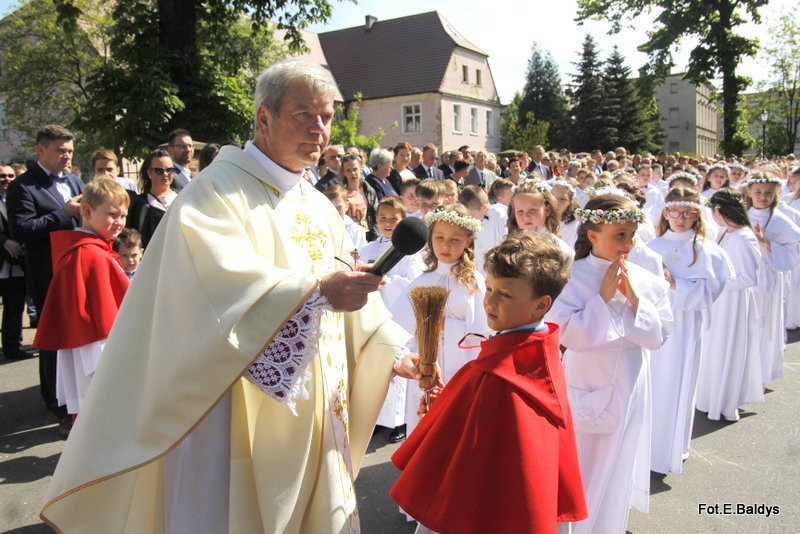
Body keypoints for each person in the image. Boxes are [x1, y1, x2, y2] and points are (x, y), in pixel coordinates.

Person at [40, 58, 418, 534]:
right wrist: (317, 291)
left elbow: (345, 280)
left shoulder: (318, 203)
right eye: (304, 114)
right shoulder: (214, 193)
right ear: (264, 118)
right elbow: (210, 290)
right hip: (231, 407)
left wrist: (390, 346)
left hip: (315, 401)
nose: (319, 129)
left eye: (326, 116)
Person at [391, 233, 588, 534]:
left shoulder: (498, 375)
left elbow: (471, 462)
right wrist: (446, 405)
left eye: (505, 295)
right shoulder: (538, 351)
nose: (490, 301)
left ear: (541, 305)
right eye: (490, 288)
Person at [547, 194, 673, 534]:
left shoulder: (645, 279)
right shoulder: (570, 277)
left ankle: (608, 525)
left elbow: (660, 335)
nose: (629, 243)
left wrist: (634, 301)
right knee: (583, 462)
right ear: (592, 235)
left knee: (619, 462)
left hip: (632, 382)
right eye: (620, 234)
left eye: (632, 234)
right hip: (586, 379)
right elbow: (566, 335)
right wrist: (602, 299)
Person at [7, 124, 84, 437]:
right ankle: (58, 407)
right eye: (60, 151)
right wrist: (64, 214)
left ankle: (80, 401)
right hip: (48, 275)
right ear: (41, 151)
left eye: (69, 151)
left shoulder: (75, 180)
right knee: (54, 341)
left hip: (78, 273)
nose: (66, 157)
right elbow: (22, 230)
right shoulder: (24, 187)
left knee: (80, 340)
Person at [647, 188, 731, 474]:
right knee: (652, 382)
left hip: (685, 326)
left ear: (697, 214)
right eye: (675, 212)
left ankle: (668, 448)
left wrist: (675, 285)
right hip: (653, 325)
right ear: (665, 212)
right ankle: (645, 445)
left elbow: (712, 290)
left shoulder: (707, 250)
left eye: (687, 212)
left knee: (677, 382)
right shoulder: (651, 246)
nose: (680, 218)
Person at [32, 179, 131, 420]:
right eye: (111, 214)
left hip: (87, 348)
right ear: (87, 211)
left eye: (123, 216)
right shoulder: (91, 255)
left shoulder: (84, 249)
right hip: (96, 352)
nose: (119, 222)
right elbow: (108, 318)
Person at [390, 204, 488, 437]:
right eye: (439, 237)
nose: (445, 245)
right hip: (426, 370)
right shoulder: (421, 282)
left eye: (455, 239)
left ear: (468, 241)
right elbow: (400, 330)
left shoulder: (472, 282)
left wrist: (447, 325)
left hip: (460, 372)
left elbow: (481, 332)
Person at [358, 195, 425, 443]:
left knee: (398, 361)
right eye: (383, 218)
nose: (387, 223)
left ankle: (398, 421)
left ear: (403, 220)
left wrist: (387, 282)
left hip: (397, 312)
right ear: (375, 220)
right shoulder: (370, 248)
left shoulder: (411, 251)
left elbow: (414, 279)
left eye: (393, 219)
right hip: (373, 310)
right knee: (374, 363)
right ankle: (377, 418)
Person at [696, 188, 764, 421]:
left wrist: (715, 280)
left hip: (733, 303)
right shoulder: (726, 233)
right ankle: (711, 396)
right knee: (715, 348)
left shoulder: (744, 237)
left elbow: (748, 277)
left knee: (727, 348)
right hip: (720, 300)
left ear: (719, 211)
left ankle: (723, 400)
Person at [744, 172, 800, 386]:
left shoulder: (780, 219)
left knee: (766, 324)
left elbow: (794, 247)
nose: (762, 197)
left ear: (775, 193)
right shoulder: (741, 216)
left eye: (768, 193)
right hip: (748, 278)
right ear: (749, 192)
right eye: (758, 192)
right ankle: (745, 369)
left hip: (769, 277)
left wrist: (767, 242)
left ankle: (762, 371)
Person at [0, 164, 31, 360]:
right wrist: (4, 242)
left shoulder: (18, 197)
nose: (7, 179)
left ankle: (12, 347)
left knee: (15, 305)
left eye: (11, 175)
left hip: (16, 263)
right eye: (2, 176)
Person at [507, 181, 574, 262]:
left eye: (532, 210)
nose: (526, 216)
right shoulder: (509, 248)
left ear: (548, 210)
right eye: (520, 211)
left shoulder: (562, 251)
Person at [128, 149, 177, 248]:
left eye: (169, 169)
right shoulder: (140, 205)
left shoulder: (183, 198)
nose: (165, 174)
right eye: (159, 170)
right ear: (149, 173)